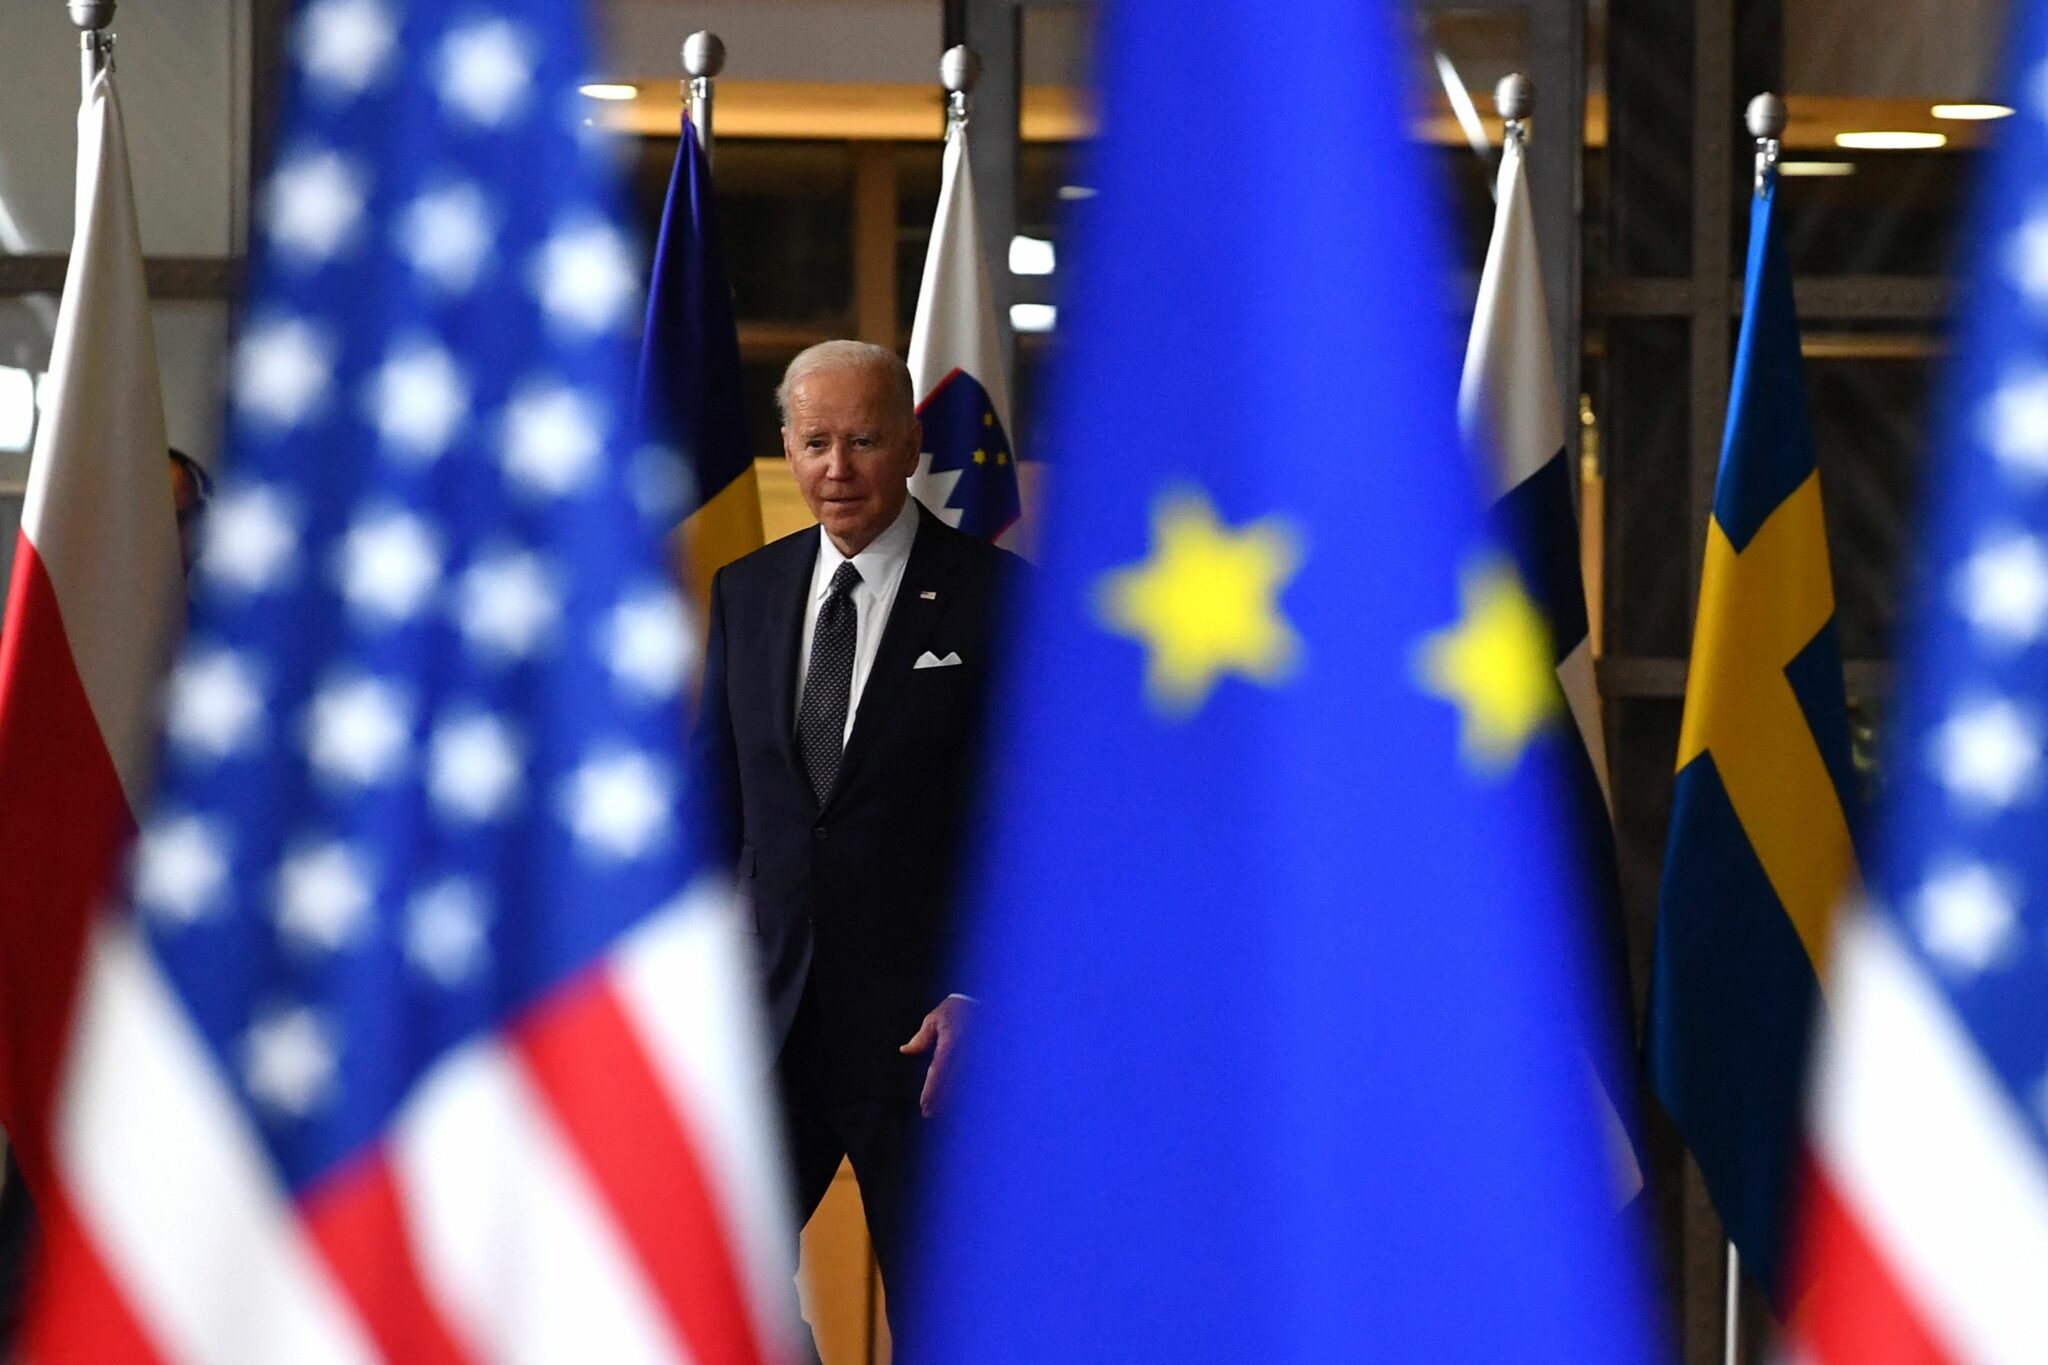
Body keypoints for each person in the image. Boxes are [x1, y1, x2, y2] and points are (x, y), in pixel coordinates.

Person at [694, 340, 1023, 1346]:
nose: (837, 468)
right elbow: (719, 813)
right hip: (770, 1026)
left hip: (927, 1039)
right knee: (711, 1288)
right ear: (786, 448)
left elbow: (1033, 834)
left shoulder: (1002, 597)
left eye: (864, 441)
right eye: (815, 442)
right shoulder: (746, 595)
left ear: (913, 444)